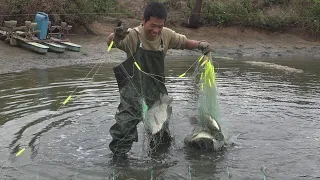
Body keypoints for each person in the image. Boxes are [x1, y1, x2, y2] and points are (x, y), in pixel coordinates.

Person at [106, 2, 212, 157]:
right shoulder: (132, 35)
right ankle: (119, 163)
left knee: (161, 136)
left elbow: (184, 42)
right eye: (153, 25)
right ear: (143, 20)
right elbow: (111, 43)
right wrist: (115, 35)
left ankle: (159, 164)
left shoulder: (166, 35)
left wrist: (200, 44)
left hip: (156, 92)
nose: (156, 30)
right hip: (133, 92)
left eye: (160, 27)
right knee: (123, 128)